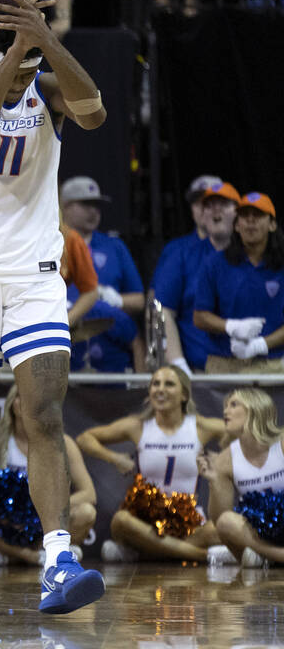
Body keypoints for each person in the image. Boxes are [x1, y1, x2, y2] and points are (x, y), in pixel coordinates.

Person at [0, 0, 106, 615]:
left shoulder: (47, 86)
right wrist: (15, 54)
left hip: (34, 274)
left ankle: (60, 558)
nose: (25, 77)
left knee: (44, 415)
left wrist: (47, 43)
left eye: (31, 65)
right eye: (17, 57)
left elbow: (95, 115)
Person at [76, 365, 226, 562]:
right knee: (121, 521)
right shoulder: (138, 425)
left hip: (188, 520)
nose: (160, 389)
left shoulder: (200, 427)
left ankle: (142, 552)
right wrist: (114, 458)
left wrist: (223, 461)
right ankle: (203, 556)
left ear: (184, 395)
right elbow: (85, 438)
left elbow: (242, 433)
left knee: (218, 530)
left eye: (169, 384)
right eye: (156, 384)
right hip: (146, 520)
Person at [0, 387, 96, 566]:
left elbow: (89, 493)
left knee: (86, 513)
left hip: (44, 523)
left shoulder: (63, 442)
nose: (28, 403)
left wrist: (40, 511)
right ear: (13, 404)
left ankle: (30, 553)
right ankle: (26, 555)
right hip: (6, 523)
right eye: (22, 397)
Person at [152, 182, 241, 372]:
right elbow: (163, 310)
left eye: (223, 204)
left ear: (237, 213)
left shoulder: (252, 256)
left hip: (248, 366)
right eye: (208, 205)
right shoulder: (182, 254)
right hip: (198, 369)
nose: (215, 210)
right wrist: (177, 363)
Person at [60, 176, 146, 371]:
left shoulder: (115, 246)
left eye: (97, 205)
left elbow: (140, 300)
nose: (94, 211)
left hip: (111, 358)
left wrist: (117, 300)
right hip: (64, 355)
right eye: (86, 204)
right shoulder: (50, 244)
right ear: (64, 206)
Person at [193, 192, 284, 373]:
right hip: (224, 363)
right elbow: (200, 316)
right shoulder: (215, 263)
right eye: (244, 216)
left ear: (272, 224)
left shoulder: (281, 264)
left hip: (273, 364)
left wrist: (261, 345)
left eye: (258, 215)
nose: (250, 221)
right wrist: (231, 327)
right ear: (236, 225)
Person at [207, 387, 284, 567]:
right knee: (226, 522)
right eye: (225, 406)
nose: (226, 411)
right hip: (262, 531)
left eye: (233, 405)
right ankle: (276, 557)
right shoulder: (225, 459)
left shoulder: (281, 442)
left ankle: (263, 558)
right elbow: (219, 519)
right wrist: (213, 481)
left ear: (255, 408)